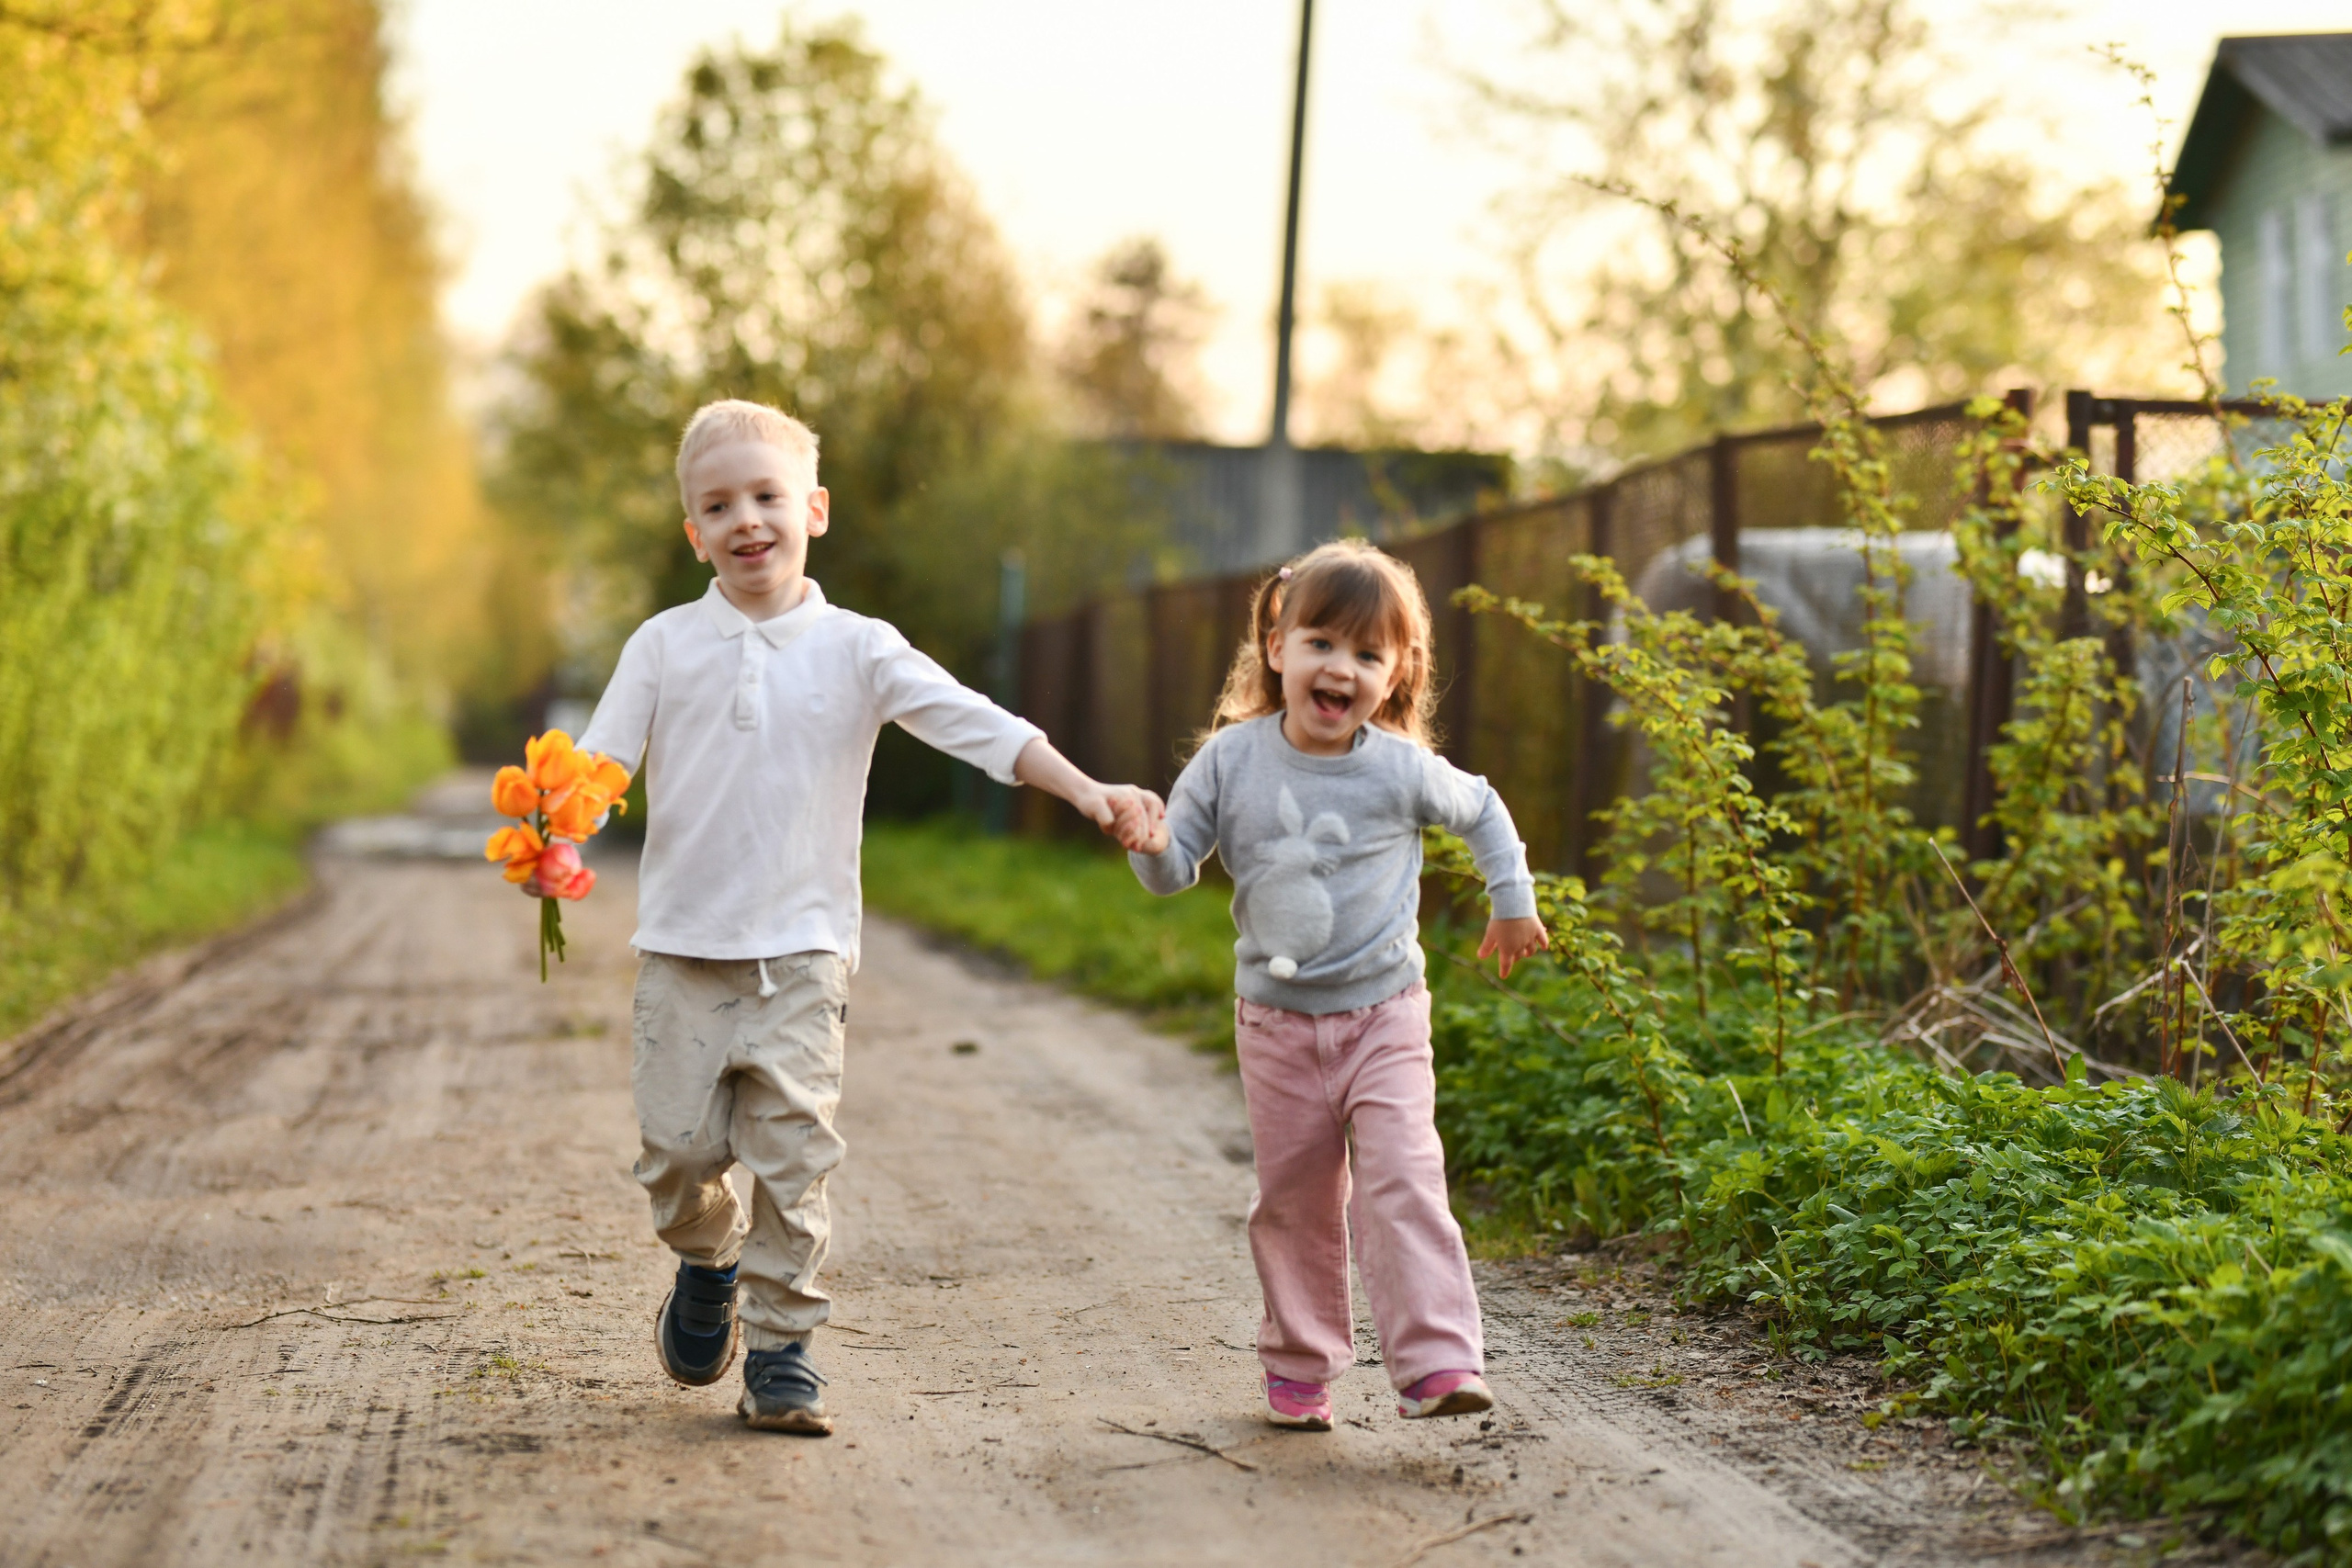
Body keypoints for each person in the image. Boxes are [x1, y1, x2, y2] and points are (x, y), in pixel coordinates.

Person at [575, 399, 1159, 1435]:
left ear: (815, 508)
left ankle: (784, 1352)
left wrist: (1085, 790)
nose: (746, 520)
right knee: (674, 1155)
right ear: (693, 534)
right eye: (719, 506)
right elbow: (602, 764)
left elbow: (980, 725)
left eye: (766, 496)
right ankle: (707, 1263)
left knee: (796, 1164)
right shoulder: (665, 645)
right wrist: (556, 836)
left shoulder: (858, 647)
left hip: (803, 956)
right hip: (682, 954)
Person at [1126, 539, 1547, 1431]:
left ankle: (1437, 1361)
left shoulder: (1397, 771)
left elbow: (1482, 809)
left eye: (1366, 655)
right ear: (1275, 646)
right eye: (1321, 642)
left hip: (1385, 1014)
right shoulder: (1230, 762)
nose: (1340, 669)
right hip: (1274, 1026)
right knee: (1296, 1199)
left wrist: (1511, 902)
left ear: (1396, 675)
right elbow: (1176, 872)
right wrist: (1149, 841)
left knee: (1403, 1176)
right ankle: (1300, 1363)